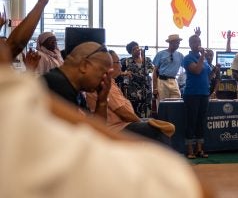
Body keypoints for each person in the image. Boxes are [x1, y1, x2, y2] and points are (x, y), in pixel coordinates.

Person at [0, 41, 208, 198]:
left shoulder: (72, 87)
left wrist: (101, 101)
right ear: (84, 65)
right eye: (103, 71)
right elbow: (88, 138)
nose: (106, 77)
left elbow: (94, 129)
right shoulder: (54, 86)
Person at [87, 50, 174, 143]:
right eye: (118, 62)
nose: (121, 65)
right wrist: (140, 122)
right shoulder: (104, 84)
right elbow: (123, 112)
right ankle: (166, 156)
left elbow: (150, 70)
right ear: (109, 66)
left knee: (155, 122)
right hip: (117, 127)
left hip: (124, 122)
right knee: (157, 130)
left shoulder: (110, 82)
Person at [42, 42, 113, 116]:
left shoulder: (73, 89)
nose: (104, 80)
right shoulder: (57, 87)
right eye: (104, 74)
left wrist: (102, 101)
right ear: (84, 66)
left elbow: (93, 126)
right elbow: (90, 127)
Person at [183, 35, 211, 159]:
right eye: (194, 42)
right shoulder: (187, 58)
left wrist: (214, 69)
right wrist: (203, 57)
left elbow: (209, 75)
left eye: (198, 41)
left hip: (204, 93)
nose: (197, 44)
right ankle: (190, 150)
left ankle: (199, 149)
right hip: (192, 94)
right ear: (190, 44)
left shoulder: (202, 59)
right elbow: (197, 70)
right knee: (191, 121)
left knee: (201, 122)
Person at [121, 41, 154, 117]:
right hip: (133, 92)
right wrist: (125, 74)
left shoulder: (147, 60)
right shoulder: (126, 61)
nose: (137, 50)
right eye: (134, 49)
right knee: (135, 113)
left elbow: (150, 70)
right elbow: (120, 73)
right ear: (130, 52)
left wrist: (143, 58)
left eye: (138, 48)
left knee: (147, 113)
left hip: (146, 91)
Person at [152, 34, 184, 101]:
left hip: (173, 80)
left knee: (176, 101)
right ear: (170, 42)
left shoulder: (180, 55)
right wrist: (155, 88)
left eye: (178, 43)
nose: (177, 44)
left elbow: (187, 67)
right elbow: (155, 71)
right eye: (176, 42)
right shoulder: (161, 54)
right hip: (162, 80)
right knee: (163, 104)